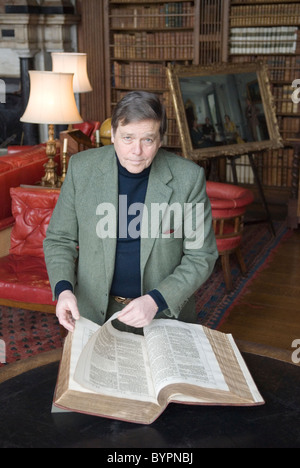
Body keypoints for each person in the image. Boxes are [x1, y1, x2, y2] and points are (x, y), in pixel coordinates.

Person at [43, 91, 218, 334]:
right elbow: (59, 239)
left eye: (147, 140)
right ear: (112, 134)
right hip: (92, 311)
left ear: (160, 139)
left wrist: (156, 300)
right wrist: (63, 289)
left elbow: (201, 256)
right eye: (127, 138)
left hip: (161, 312)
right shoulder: (81, 169)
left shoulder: (188, 178)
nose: (136, 150)